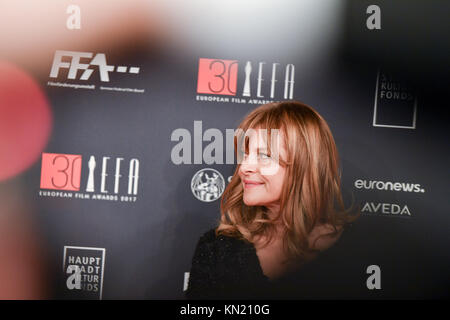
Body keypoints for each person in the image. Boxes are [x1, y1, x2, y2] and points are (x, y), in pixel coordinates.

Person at [186, 101, 359, 299]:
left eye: (264, 155)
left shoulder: (356, 249)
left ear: (304, 165)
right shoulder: (218, 248)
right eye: (245, 154)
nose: (243, 168)